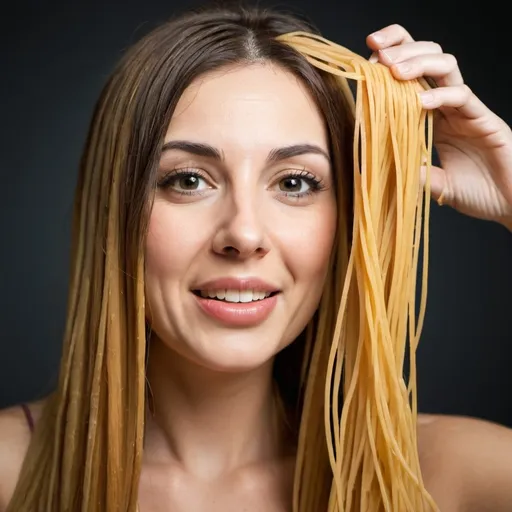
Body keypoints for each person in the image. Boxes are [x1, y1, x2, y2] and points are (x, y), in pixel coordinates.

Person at [1, 3, 511, 512]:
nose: (243, 234)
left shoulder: (450, 476)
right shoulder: (10, 475)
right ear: (115, 208)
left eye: (294, 182)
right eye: (188, 180)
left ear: (347, 217)